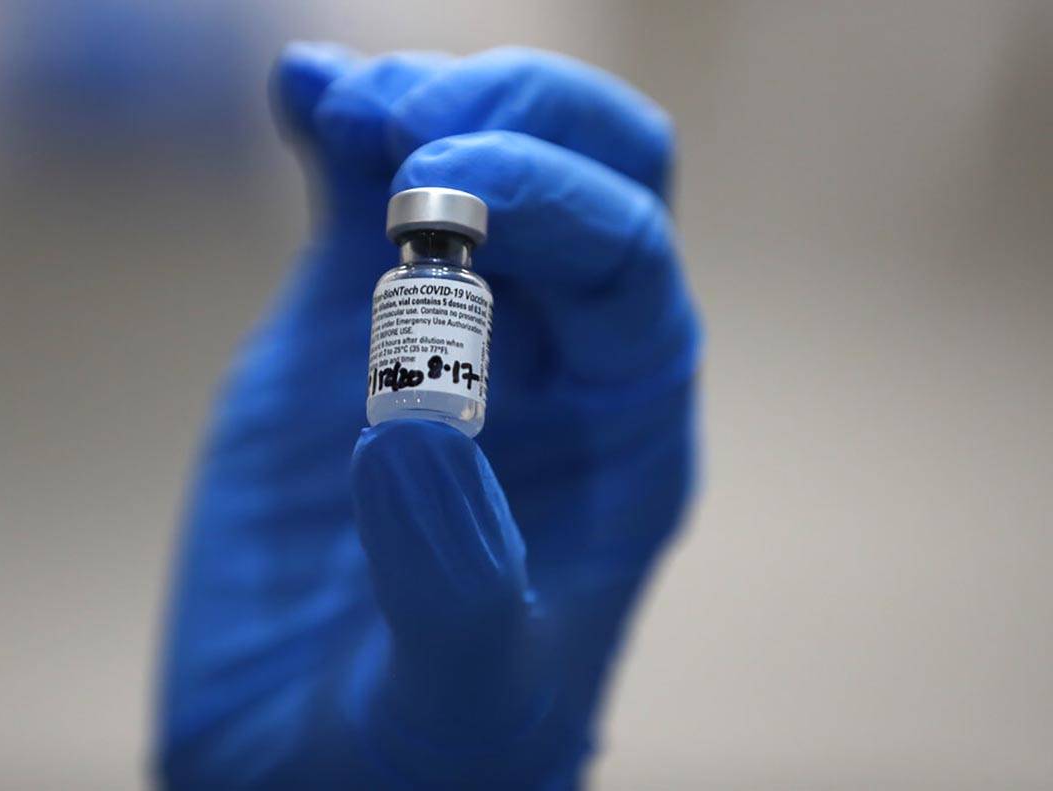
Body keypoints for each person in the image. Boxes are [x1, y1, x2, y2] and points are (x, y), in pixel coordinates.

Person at [158, 43, 701, 789]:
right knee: (419, 427)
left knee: (425, 428)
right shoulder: (398, 287)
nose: (437, 263)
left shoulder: (453, 291)